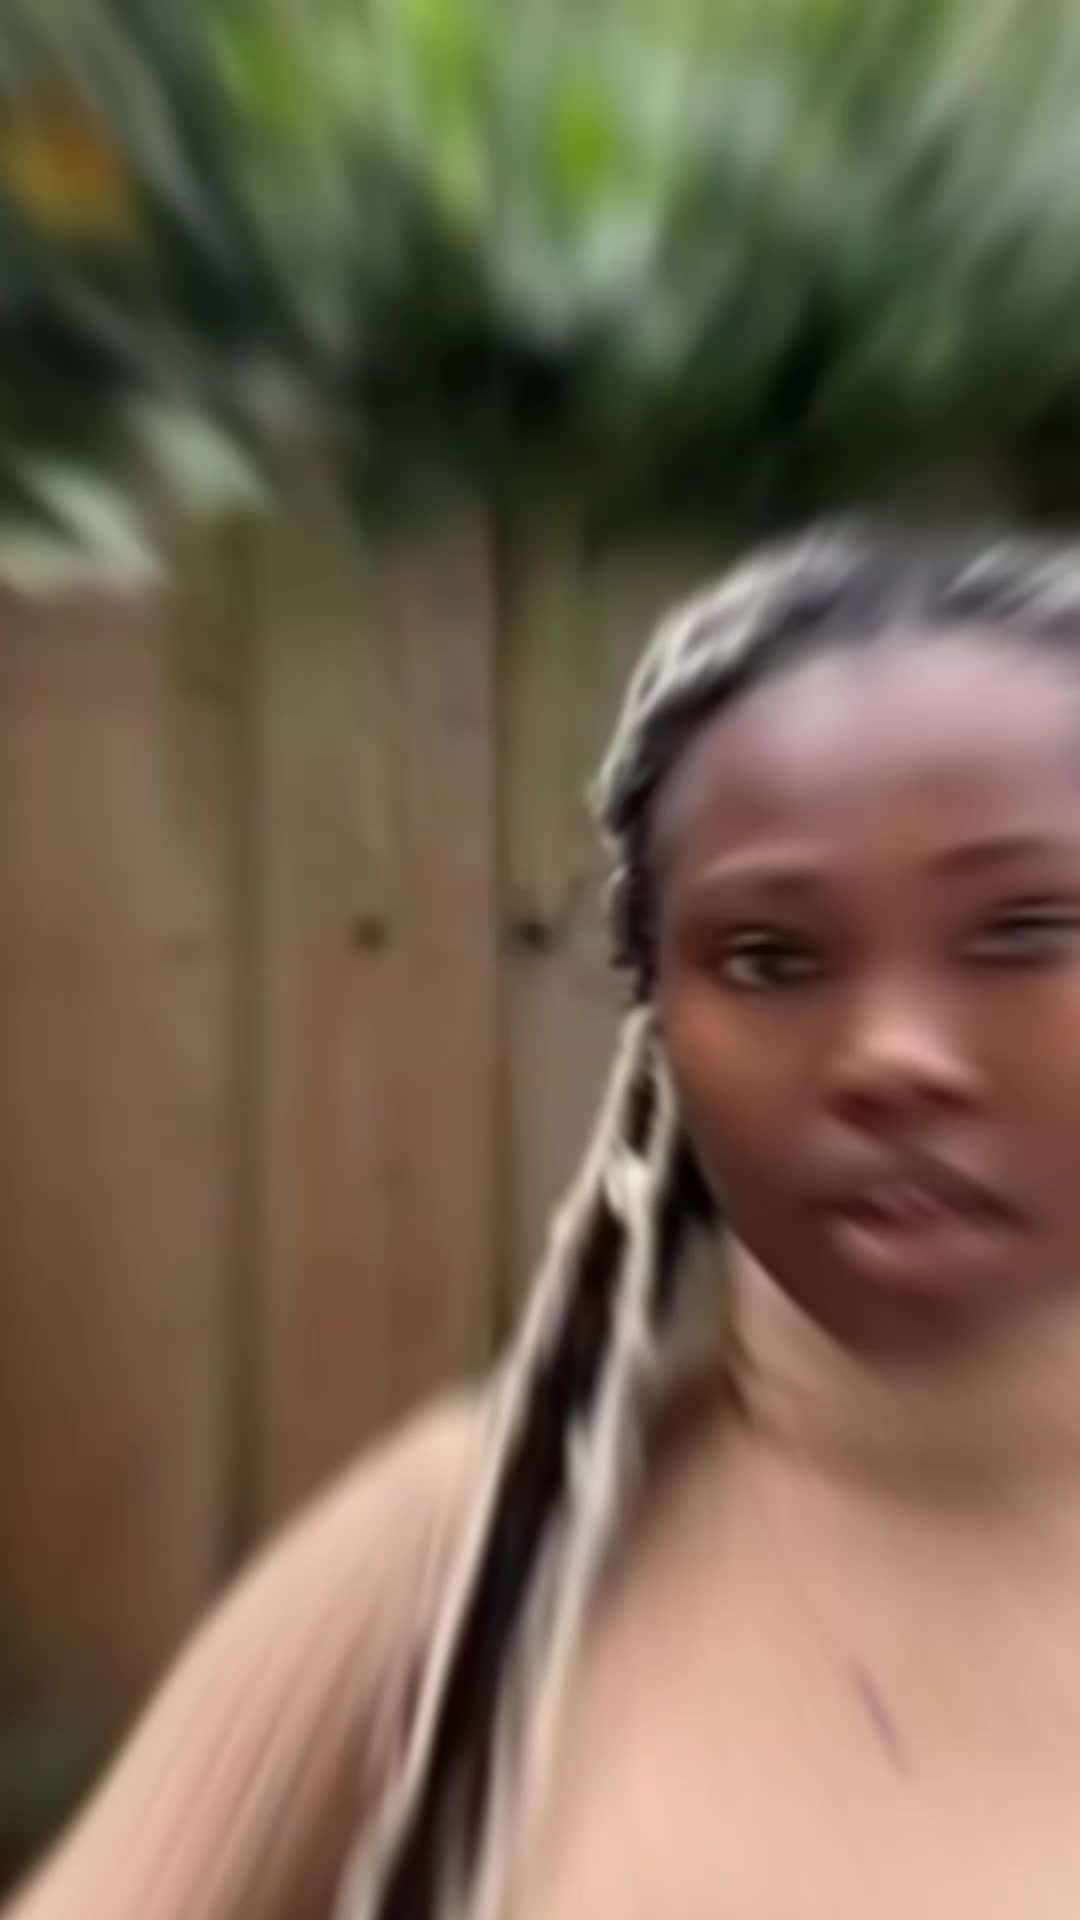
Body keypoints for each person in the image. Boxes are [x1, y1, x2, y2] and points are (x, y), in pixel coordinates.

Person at [11, 521, 1080, 1920]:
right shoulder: (467, 1557)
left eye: (1027, 932)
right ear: (659, 1033)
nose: (892, 1056)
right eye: (769, 957)